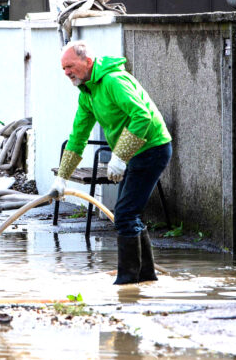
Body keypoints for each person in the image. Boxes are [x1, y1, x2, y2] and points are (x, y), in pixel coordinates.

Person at [50, 41, 172, 285]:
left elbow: (142, 116)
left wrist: (120, 156)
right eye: (63, 68)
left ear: (88, 61)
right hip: (135, 152)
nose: (66, 73)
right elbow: (78, 137)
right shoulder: (88, 93)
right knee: (129, 214)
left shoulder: (113, 81)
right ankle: (146, 277)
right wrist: (61, 177)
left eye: (70, 66)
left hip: (152, 148)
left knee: (125, 214)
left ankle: (127, 282)